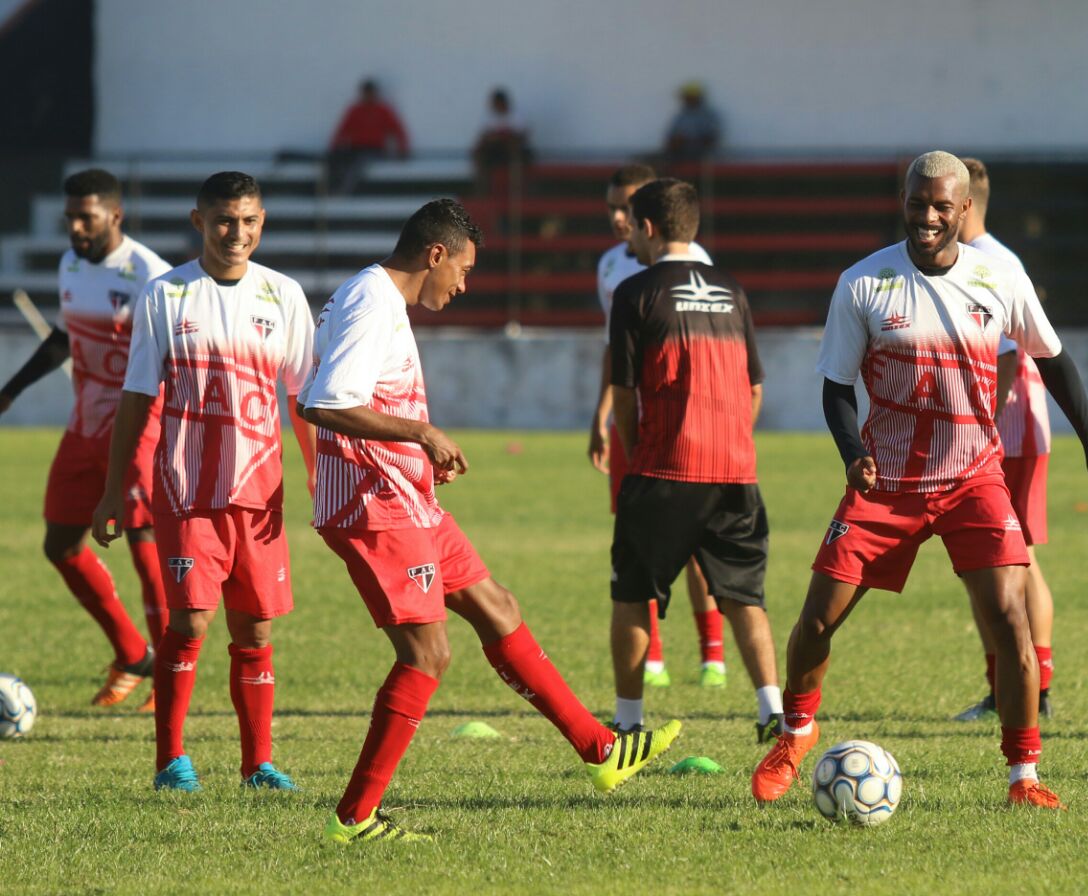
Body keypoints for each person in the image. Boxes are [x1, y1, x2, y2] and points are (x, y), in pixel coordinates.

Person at [751, 151, 1088, 810]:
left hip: (973, 481)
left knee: (1010, 620)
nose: (925, 216)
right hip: (886, 482)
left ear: (963, 210)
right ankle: (796, 732)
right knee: (817, 621)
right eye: (915, 202)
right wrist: (851, 452)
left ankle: (1024, 777)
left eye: (939, 206)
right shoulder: (863, 283)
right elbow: (837, 386)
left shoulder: (1000, 276)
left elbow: (1055, 362)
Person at [299, 198, 680, 845]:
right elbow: (325, 404)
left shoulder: (374, 297)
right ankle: (354, 817)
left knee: (496, 606)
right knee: (427, 654)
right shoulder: (371, 301)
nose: (464, 285)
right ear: (435, 255)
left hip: (404, 495)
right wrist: (420, 432)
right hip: (374, 506)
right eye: (465, 271)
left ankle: (601, 753)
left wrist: (416, 453)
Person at [91, 171, 317, 793]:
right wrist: (114, 489)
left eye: (247, 221)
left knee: (256, 629)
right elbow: (137, 397)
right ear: (199, 222)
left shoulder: (284, 296)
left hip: (260, 494)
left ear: (262, 222)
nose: (235, 233)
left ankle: (258, 764)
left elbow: (306, 401)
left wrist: (324, 481)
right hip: (188, 491)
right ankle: (171, 760)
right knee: (189, 624)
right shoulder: (166, 295)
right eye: (222, 221)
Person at [608, 178, 783, 741]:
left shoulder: (633, 293)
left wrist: (639, 456)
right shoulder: (732, 290)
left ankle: (630, 722)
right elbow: (755, 388)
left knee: (633, 593)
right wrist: (730, 439)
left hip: (664, 468)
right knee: (742, 595)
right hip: (735, 471)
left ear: (649, 228)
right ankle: (770, 710)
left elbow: (626, 395)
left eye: (632, 225)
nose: (629, 235)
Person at [0, 168, 170, 710]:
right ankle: (132, 653)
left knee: (145, 550)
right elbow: (66, 338)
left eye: (86, 217)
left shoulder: (152, 275)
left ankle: (170, 672)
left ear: (114, 216)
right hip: (84, 425)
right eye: (70, 216)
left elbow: (181, 356)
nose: (75, 227)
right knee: (60, 544)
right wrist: (11, 390)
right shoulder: (71, 263)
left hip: (140, 423)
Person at [590, 163, 725, 691]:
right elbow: (614, 352)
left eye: (626, 207)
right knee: (635, 538)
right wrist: (599, 416)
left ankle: (712, 654)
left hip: (684, 426)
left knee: (692, 541)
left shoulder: (695, 263)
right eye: (610, 208)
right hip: (631, 422)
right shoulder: (608, 267)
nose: (618, 218)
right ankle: (653, 658)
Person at [953, 158, 1056, 722]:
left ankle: (1030, 688)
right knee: (986, 565)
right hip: (1011, 433)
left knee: (1014, 562)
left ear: (965, 204)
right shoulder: (984, 258)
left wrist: (982, 427)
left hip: (1006, 435)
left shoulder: (989, 263)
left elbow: (1012, 358)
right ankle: (1009, 687)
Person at [328, 79, 409, 194]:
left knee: (357, 164)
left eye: (371, 92)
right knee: (335, 159)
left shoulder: (383, 110)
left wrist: (403, 150)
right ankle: (327, 189)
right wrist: (334, 147)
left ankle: (343, 191)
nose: (368, 95)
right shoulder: (355, 110)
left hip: (375, 150)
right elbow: (342, 131)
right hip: (355, 149)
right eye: (366, 92)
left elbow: (398, 131)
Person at [664, 82, 720, 163]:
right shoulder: (681, 115)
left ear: (697, 97)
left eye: (689, 97)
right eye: (685, 97)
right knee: (653, 161)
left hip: (700, 154)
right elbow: (671, 136)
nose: (686, 99)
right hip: (678, 153)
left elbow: (711, 138)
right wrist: (674, 141)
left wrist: (686, 141)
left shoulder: (708, 115)